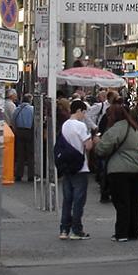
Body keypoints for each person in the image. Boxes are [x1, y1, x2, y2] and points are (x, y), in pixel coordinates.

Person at [95, 99, 138, 241]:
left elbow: (101, 149)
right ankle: (134, 232)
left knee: (122, 202)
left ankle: (122, 233)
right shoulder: (133, 126)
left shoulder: (116, 129)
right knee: (136, 202)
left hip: (120, 170)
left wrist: (97, 143)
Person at [58, 99, 93, 240]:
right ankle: (76, 230)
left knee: (67, 199)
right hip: (80, 167)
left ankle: (64, 229)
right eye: (83, 112)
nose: (84, 116)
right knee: (78, 200)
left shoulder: (65, 125)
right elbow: (88, 145)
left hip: (66, 165)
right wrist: (93, 138)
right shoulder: (80, 126)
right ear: (78, 110)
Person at [12, 94, 35, 182]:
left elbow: (13, 120)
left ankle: (18, 174)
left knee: (20, 154)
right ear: (30, 100)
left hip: (19, 132)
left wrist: (16, 130)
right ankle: (31, 175)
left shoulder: (17, 109)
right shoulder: (32, 109)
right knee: (30, 154)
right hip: (29, 132)